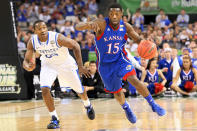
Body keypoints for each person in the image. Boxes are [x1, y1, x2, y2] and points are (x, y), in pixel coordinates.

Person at [75, 3, 166, 124]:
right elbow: (77, 26)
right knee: (117, 92)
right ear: (108, 14)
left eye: (117, 13)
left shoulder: (126, 27)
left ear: (121, 14)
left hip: (120, 60)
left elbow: (138, 39)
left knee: (134, 79)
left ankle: (153, 104)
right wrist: (89, 25)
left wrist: (146, 42)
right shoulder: (101, 24)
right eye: (111, 13)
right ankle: (127, 109)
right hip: (105, 66)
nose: (114, 16)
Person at [23, 20, 95, 129]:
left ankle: (87, 104)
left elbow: (75, 45)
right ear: (35, 31)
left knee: (79, 90)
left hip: (65, 64)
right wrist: (27, 66)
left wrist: (80, 66)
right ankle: (54, 118)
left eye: (44, 28)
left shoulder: (57, 38)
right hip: (48, 64)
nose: (43, 30)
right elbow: (26, 61)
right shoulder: (32, 42)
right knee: (45, 89)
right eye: (39, 28)